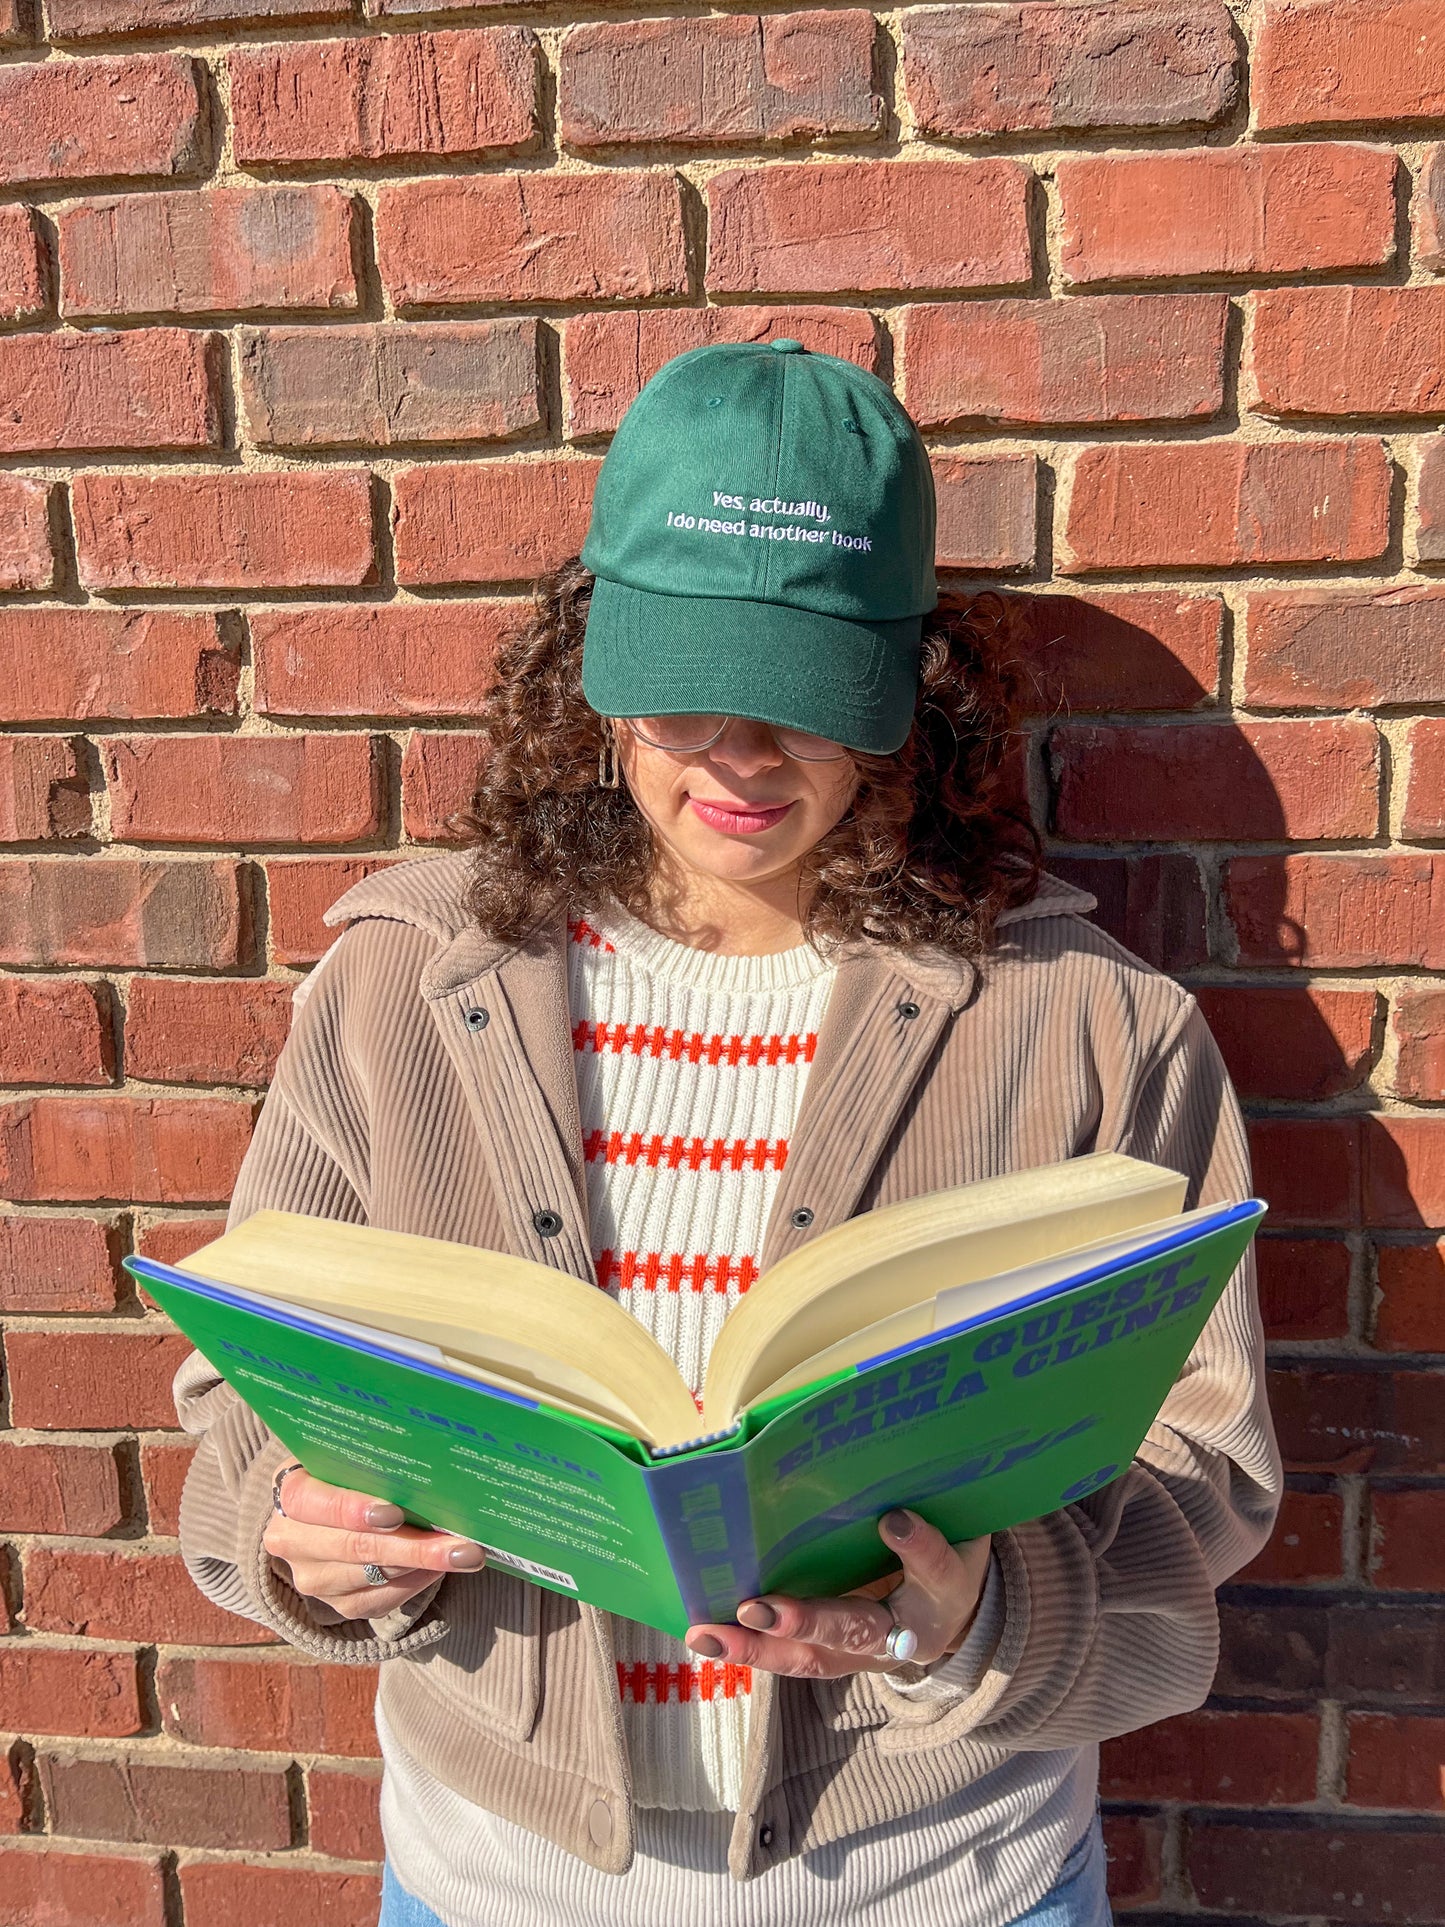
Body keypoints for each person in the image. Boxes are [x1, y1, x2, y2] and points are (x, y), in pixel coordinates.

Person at [173, 339, 1281, 1927]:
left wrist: (969, 1617)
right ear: (588, 665)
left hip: (944, 1886)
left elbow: (1200, 1464)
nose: (740, 754)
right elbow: (249, 1377)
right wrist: (297, 1532)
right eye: (685, 686)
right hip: (494, 1884)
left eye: (805, 697)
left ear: (914, 695)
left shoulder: (1094, 1026)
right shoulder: (402, 987)